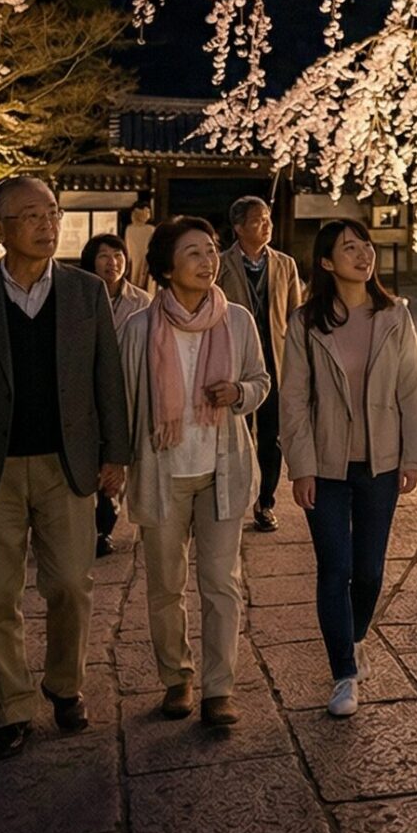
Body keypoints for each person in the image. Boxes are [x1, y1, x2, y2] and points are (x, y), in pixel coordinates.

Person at [0, 176, 131, 761]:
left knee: (71, 585)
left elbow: (107, 378)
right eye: (31, 215)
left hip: (67, 463)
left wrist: (115, 453)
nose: (47, 225)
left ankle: (65, 685)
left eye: (52, 213)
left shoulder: (86, 292)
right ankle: (9, 709)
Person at [118, 216, 270, 727]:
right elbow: (125, 401)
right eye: (194, 253)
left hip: (221, 470)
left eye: (210, 251)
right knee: (165, 586)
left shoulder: (237, 321)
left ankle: (219, 689)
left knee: (221, 583)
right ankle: (176, 678)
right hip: (162, 471)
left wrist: (239, 393)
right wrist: (115, 464)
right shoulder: (139, 329)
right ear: (166, 268)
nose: (208, 262)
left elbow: (261, 381)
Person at [280, 219, 417, 717]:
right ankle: (343, 673)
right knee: (334, 568)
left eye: (365, 245)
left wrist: (412, 456)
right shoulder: (305, 322)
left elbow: (411, 389)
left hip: (380, 464)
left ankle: (355, 636)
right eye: (349, 248)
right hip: (325, 465)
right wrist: (300, 467)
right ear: (326, 262)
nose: (364, 254)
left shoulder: (394, 315)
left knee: (369, 572)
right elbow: (294, 399)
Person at [216, 196, 300, 532]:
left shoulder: (285, 264)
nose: (266, 225)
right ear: (238, 227)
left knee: (271, 437)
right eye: (257, 220)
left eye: (268, 219)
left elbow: (295, 316)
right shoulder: (221, 265)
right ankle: (231, 500)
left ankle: (265, 502)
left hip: (275, 362)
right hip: (235, 362)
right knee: (234, 436)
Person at [82, 233, 154, 556]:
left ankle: (104, 528)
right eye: (104, 256)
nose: (112, 263)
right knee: (91, 460)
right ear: (91, 261)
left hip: (126, 392)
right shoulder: (79, 297)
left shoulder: (143, 302)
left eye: (118, 256)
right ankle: (89, 524)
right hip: (86, 395)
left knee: (118, 459)